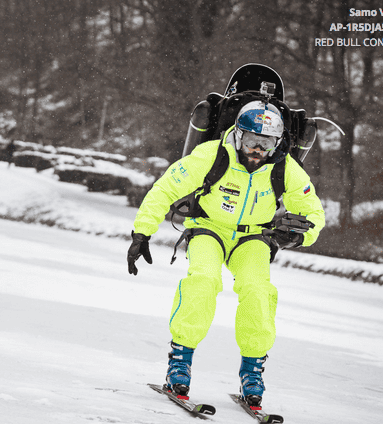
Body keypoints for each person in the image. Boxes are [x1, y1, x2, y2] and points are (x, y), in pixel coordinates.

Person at [127, 98, 325, 410]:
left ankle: (252, 372)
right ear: (237, 134)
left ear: (277, 143)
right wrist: (142, 231)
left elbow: (313, 212)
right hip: (209, 228)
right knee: (203, 281)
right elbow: (165, 189)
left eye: (266, 143)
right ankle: (179, 362)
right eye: (251, 140)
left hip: (254, 237)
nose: (257, 149)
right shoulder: (211, 155)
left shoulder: (286, 168)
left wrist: (300, 235)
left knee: (258, 290)